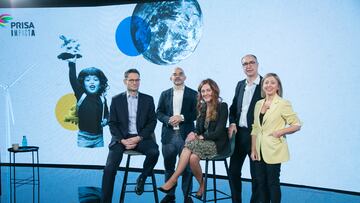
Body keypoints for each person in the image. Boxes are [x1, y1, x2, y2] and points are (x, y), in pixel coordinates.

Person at [158, 79, 229, 200]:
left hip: (217, 145)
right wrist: (194, 133)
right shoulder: (202, 107)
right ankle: (202, 185)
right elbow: (198, 128)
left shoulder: (222, 106)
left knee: (188, 147)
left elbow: (219, 131)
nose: (205, 93)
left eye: (208, 90)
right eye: (203, 91)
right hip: (203, 143)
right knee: (193, 158)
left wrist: (201, 137)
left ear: (214, 91)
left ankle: (173, 179)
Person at [101, 69, 159, 203]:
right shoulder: (116, 100)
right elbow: (112, 123)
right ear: (125, 81)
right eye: (131, 80)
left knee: (154, 152)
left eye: (137, 80)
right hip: (121, 139)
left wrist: (139, 137)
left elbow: (152, 122)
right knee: (109, 169)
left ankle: (143, 177)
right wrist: (122, 140)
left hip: (141, 138)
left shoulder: (148, 99)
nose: (135, 83)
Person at [251, 73, 301, 203]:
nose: (269, 85)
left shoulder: (283, 103)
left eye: (272, 82)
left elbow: (296, 124)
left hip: (273, 148)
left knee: (272, 182)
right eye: (266, 82)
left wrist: (279, 132)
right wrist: (253, 149)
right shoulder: (258, 104)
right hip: (259, 149)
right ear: (263, 86)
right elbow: (255, 127)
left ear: (278, 86)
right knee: (261, 182)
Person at [156, 67, 198, 203]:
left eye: (181, 74)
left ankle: (187, 196)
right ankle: (170, 194)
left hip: (186, 136)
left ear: (185, 77)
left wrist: (182, 117)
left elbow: (197, 113)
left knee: (187, 168)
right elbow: (159, 112)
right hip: (168, 136)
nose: (178, 76)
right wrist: (168, 119)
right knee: (169, 167)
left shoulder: (193, 94)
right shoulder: (164, 94)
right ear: (171, 78)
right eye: (175, 74)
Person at [229, 54, 262, 202]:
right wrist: (233, 122)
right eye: (245, 64)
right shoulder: (240, 85)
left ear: (257, 65)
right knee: (233, 172)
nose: (248, 66)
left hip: (256, 136)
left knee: (256, 175)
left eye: (251, 63)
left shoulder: (265, 85)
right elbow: (233, 107)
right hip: (239, 134)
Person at [66, 58, 109, 148]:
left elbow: (107, 114)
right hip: (84, 138)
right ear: (83, 83)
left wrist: (106, 120)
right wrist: (72, 63)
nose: (92, 82)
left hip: (99, 138)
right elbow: (73, 79)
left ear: (101, 83)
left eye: (95, 80)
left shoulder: (102, 98)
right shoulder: (81, 94)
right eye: (88, 80)